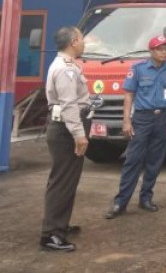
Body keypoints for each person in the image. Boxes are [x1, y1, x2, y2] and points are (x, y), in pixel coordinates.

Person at [105, 35, 166, 219]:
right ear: (152, 51)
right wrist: (126, 121)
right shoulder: (138, 69)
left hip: (162, 118)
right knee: (133, 160)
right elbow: (129, 96)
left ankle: (145, 198)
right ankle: (120, 202)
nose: (164, 53)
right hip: (142, 119)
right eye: (161, 49)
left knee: (155, 161)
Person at [40, 26, 89, 252]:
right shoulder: (65, 69)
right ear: (73, 41)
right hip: (65, 131)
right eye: (81, 38)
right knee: (62, 181)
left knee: (67, 180)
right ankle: (51, 235)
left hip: (64, 128)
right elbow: (69, 104)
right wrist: (79, 135)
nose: (84, 42)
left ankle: (60, 225)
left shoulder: (66, 65)